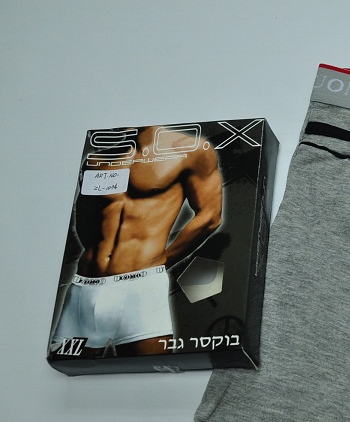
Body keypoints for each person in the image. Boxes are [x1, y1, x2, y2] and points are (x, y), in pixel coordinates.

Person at [51, 125, 223, 356]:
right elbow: (84, 225)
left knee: (150, 373)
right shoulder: (96, 160)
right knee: (66, 366)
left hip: (140, 290)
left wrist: (161, 260)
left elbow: (210, 216)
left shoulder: (190, 149)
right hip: (84, 289)